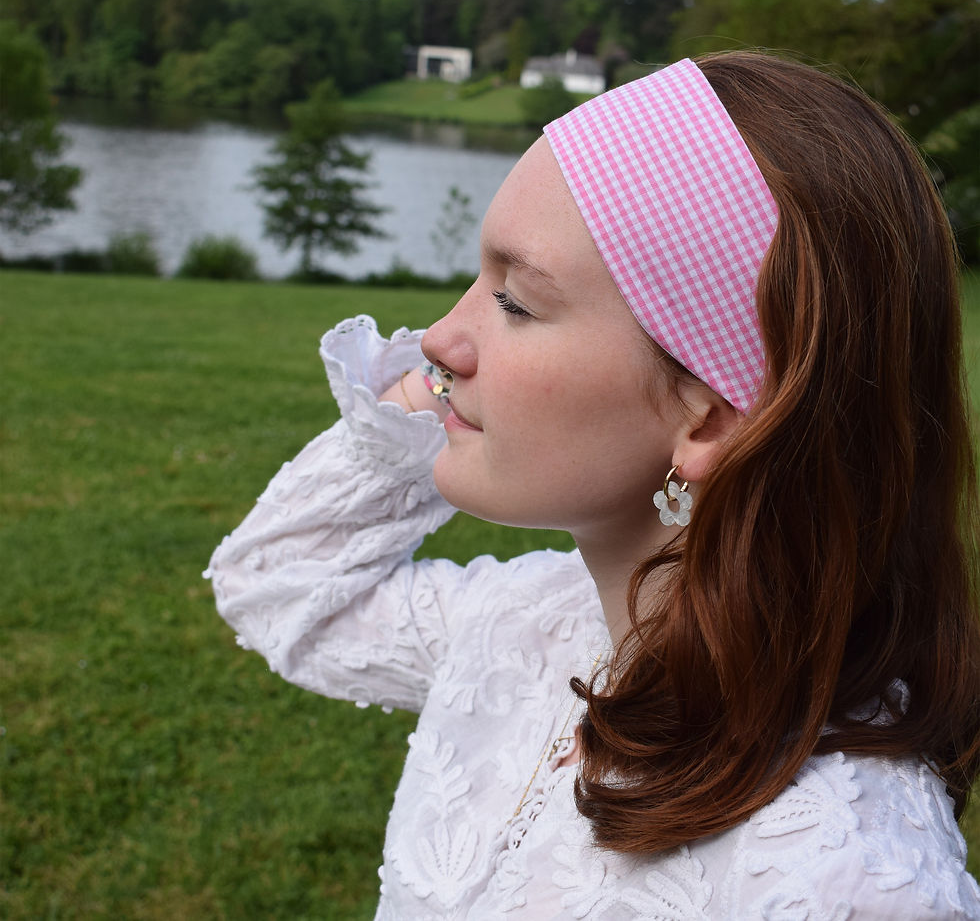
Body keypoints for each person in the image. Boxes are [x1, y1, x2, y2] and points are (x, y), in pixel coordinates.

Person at [206, 51, 980, 918]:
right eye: (479, 280)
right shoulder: (528, 624)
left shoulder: (840, 877)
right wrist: (420, 406)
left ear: (710, 420)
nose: (437, 339)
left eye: (516, 302)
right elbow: (278, 587)